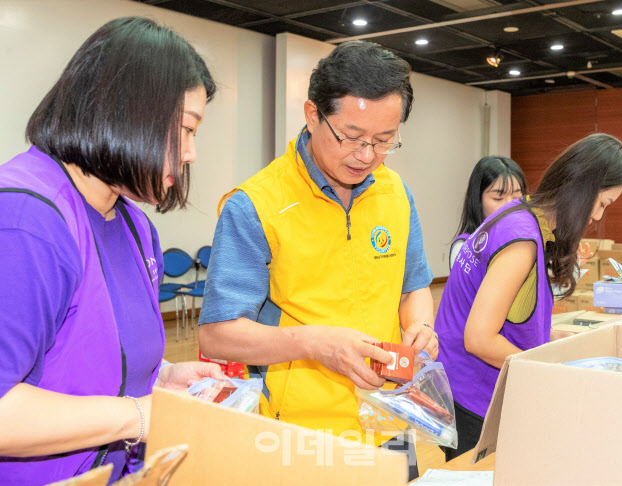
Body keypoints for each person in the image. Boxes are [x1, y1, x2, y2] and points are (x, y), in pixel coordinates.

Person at [198, 41, 437, 478]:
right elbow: (218, 335)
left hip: (389, 418)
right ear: (312, 115)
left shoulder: (395, 193)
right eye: (351, 137)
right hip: (299, 433)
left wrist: (420, 326)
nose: (366, 156)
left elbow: (414, 284)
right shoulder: (256, 205)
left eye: (384, 141)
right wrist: (315, 344)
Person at [0, 17, 221, 485]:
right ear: (124, 112)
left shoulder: (133, 225)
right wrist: (140, 415)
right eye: (185, 129)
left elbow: (87, 355)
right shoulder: (26, 221)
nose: (190, 154)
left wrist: (161, 377)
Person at [435, 133, 622, 460]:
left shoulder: (519, 214)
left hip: (462, 385)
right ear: (582, 189)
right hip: (472, 396)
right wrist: (546, 368)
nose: (597, 217)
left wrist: (557, 339)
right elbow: (480, 338)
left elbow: (509, 317)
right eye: (601, 204)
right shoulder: (521, 239)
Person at [450, 156, 526, 269]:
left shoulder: (527, 242)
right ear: (478, 200)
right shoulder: (464, 248)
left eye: (516, 197)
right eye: (498, 198)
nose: (510, 207)